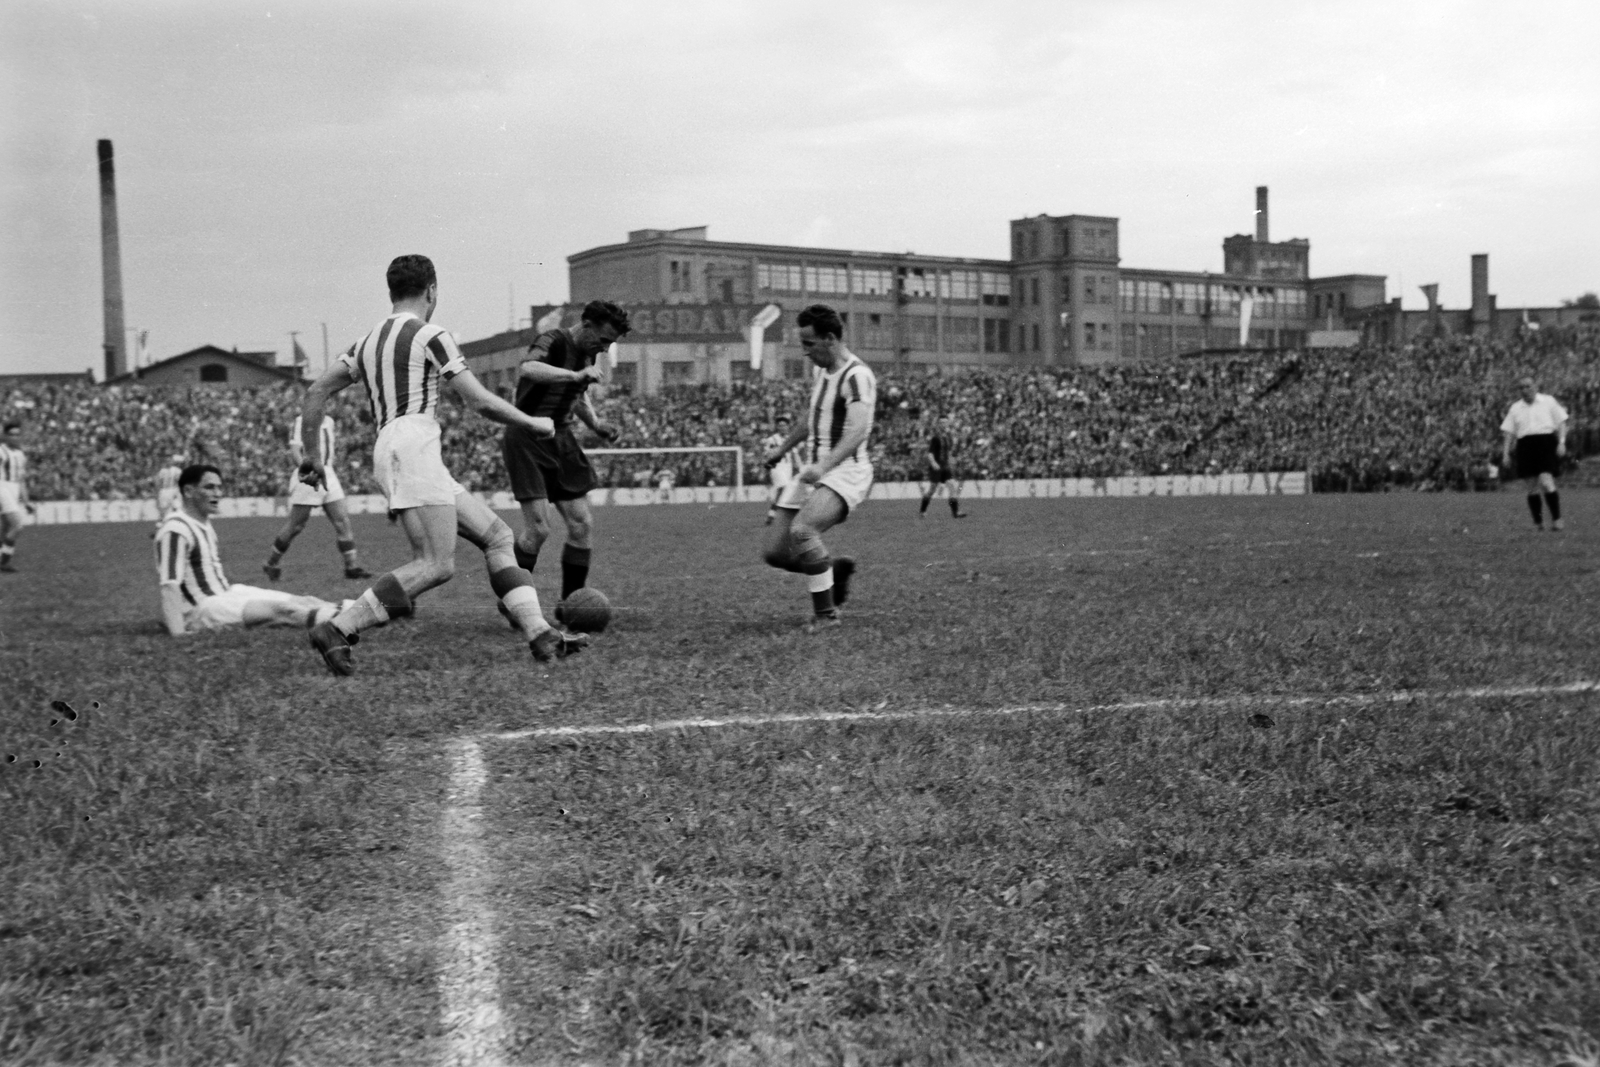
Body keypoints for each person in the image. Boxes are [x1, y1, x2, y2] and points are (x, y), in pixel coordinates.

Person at [299, 254, 586, 675]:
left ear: (392, 292)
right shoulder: (431, 334)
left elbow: (315, 393)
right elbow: (478, 400)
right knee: (436, 563)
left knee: (498, 537)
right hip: (412, 444)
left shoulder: (366, 342)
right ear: (432, 291)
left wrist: (311, 457)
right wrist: (534, 423)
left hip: (397, 446)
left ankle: (541, 634)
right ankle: (339, 628)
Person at [501, 300, 627, 602]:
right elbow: (529, 368)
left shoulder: (588, 352)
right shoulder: (553, 340)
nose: (605, 348)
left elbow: (578, 395)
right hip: (528, 434)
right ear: (586, 325)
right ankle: (515, 600)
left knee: (582, 524)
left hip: (562, 436)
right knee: (538, 531)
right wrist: (573, 376)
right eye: (604, 339)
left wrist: (596, 424)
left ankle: (571, 605)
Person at [761, 304, 875, 630]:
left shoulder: (857, 376)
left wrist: (824, 465)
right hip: (816, 469)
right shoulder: (821, 373)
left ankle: (826, 616)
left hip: (847, 470)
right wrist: (782, 449)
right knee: (775, 553)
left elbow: (858, 430)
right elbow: (810, 420)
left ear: (829, 338)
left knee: (803, 530)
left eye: (809, 344)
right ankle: (833, 570)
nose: (805, 352)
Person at [155, 464, 347, 637]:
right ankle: (358, 617)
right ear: (188, 491)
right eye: (209, 487)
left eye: (219, 487)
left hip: (226, 593)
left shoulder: (200, 523)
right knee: (284, 611)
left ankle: (364, 608)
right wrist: (178, 633)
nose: (218, 493)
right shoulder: (176, 529)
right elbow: (169, 585)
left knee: (303, 601)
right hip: (205, 607)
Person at [262, 413, 373, 581]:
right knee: (296, 525)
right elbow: (295, 450)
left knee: (342, 521)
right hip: (310, 474)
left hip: (329, 472)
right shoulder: (302, 420)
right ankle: (271, 563)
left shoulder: (329, 420)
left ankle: (351, 567)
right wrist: (306, 470)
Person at [1500, 375, 1568, 531]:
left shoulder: (1548, 401)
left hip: (1546, 443)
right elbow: (1508, 432)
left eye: (1528, 386)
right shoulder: (1515, 408)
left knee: (1546, 480)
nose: (1525, 390)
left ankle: (1557, 520)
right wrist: (1505, 453)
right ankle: (1538, 523)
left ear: (1536, 387)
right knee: (1531, 486)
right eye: (1522, 387)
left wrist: (1562, 442)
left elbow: (1562, 422)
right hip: (1525, 445)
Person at [918, 414, 968, 519]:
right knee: (932, 490)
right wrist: (933, 463)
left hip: (945, 466)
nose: (943, 424)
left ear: (948, 423)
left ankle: (956, 512)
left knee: (952, 488)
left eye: (945, 422)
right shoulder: (936, 437)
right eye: (941, 422)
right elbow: (930, 453)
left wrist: (952, 459)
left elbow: (948, 451)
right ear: (938, 424)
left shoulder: (948, 436)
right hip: (936, 467)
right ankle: (922, 511)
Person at [0, 422, 32, 573]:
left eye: (17, 434)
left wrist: (26, 502)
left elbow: (21, 480)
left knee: (4, 528)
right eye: (11, 434)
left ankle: (3, 562)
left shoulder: (21, 455)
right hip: (2, 487)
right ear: (5, 436)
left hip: (14, 490)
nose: (15, 437)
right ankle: (4, 561)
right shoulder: (1, 452)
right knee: (17, 525)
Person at [763, 414, 800, 525]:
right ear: (777, 427)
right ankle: (774, 513)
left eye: (784, 425)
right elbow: (766, 453)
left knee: (785, 491)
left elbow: (794, 453)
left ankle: (773, 514)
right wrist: (771, 457)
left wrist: (798, 466)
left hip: (787, 467)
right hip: (776, 467)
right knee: (783, 488)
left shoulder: (790, 439)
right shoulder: (772, 439)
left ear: (788, 426)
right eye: (780, 425)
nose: (782, 427)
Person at [154, 451, 186, 520]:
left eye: (170, 460)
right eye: (167, 460)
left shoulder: (177, 470)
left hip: (173, 489)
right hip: (164, 491)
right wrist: (158, 493)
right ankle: (162, 523)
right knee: (164, 510)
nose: (168, 462)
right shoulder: (162, 471)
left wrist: (178, 492)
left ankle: (177, 522)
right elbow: (158, 483)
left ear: (172, 461)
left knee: (177, 507)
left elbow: (180, 482)